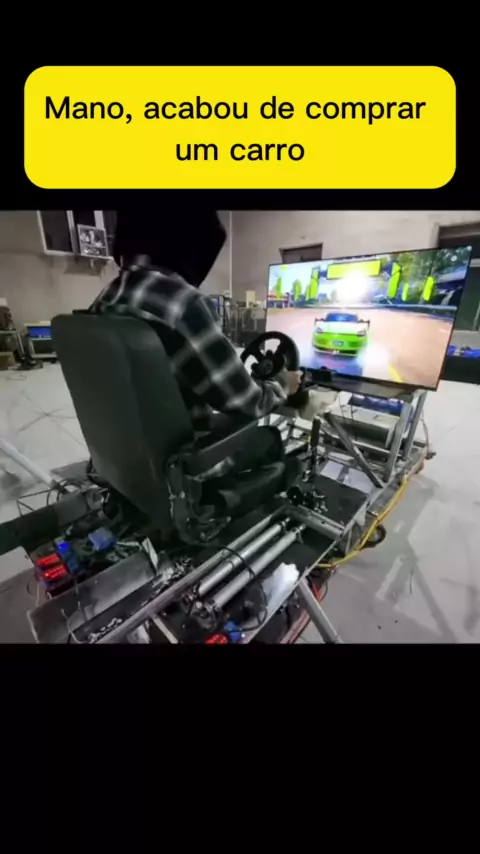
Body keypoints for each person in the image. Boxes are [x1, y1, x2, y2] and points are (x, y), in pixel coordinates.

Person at [89, 208, 303, 434]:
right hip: (188, 449)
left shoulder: (107, 298)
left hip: (129, 439)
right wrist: (283, 384)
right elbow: (247, 402)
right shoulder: (183, 305)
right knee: (269, 437)